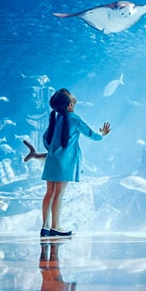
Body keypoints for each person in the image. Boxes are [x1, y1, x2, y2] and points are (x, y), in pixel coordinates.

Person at [40, 88, 110, 237]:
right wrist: (102, 134)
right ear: (70, 105)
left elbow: (46, 139)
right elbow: (92, 135)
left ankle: (45, 226)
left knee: (49, 192)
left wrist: (52, 150)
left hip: (52, 160)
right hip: (65, 162)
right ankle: (55, 227)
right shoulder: (75, 119)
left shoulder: (55, 119)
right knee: (59, 193)